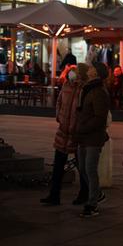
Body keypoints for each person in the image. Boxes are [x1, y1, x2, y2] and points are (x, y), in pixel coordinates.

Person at [41, 64, 89, 206]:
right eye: (71, 72)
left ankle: (84, 193)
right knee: (58, 167)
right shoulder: (66, 86)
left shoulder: (84, 89)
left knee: (82, 167)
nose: (72, 74)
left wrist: (79, 126)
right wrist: (59, 118)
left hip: (76, 134)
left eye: (75, 72)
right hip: (63, 131)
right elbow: (59, 102)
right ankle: (54, 195)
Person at [74, 62, 110, 218]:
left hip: (93, 137)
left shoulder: (99, 91)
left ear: (96, 73)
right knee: (82, 168)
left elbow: (100, 117)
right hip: (83, 136)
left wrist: (84, 127)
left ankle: (92, 203)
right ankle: (97, 194)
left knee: (90, 169)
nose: (89, 69)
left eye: (92, 68)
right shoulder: (87, 88)